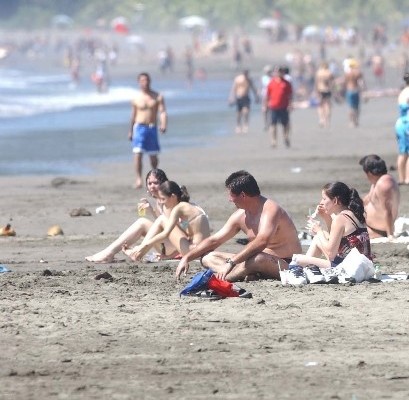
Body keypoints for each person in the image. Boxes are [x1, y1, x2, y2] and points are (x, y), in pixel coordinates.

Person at [176, 170, 302, 282]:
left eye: (231, 195)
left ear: (243, 195)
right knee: (207, 257)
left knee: (258, 258)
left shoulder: (270, 210)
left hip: (285, 263)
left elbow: (262, 241)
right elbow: (215, 240)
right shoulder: (240, 215)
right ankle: (246, 273)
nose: (229, 200)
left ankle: (224, 278)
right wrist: (186, 258)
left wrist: (231, 263)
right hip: (252, 261)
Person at [289, 181, 372, 285]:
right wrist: (326, 218)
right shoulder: (353, 214)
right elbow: (335, 240)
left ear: (335, 200)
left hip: (348, 269)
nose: (321, 202)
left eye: (324, 199)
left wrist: (319, 231)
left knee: (297, 259)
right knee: (318, 239)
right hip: (364, 267)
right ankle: (306, 267)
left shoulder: (340, 218)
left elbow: (331, 254)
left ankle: (303, 268)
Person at [85, 169, 175, 263]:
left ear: (164, 184)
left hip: (173, 247)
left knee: (142, 222)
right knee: (142, 223)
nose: (152, 186)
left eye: (156, 183)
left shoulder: (169, 200)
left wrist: (172, 255)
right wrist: (152, 211)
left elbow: (176, 230)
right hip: (167, 245)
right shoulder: (159, 201)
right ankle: (109, 253)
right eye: (149, 183)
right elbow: (163, 225)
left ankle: (109, 254)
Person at [122, 181, 211, 261]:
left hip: (193, 252)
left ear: (173, 196)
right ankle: (138, 253)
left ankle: (137, 253)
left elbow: (165, 233)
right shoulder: (188, 208)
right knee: (163, 219)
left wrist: (143, 245)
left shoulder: (179, 208)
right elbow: (187, 238)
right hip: (199, 251)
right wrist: (169, 256)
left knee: (162, 219)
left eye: (163, 199)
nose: (161, 202)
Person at [129, 72, 167, 189]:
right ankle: (139, 179)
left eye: (147, 80)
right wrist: (130, 131)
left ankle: (155, 178)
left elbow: (162, 112)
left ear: (150, 81)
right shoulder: (136, 98)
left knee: (153, 157)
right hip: (139, 127)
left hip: (152, 128)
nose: (145, 83)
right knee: (138, 153)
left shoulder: (157, 96)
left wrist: (163, 124)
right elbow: (133, 115)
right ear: (139, 82)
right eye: (142, 80)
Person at [359, 155, 400, 240]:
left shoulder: (384, 184)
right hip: (369, 227)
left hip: (376, 232)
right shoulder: (377, 182)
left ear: (369, 173)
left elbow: (388, 210)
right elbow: (367, 199)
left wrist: (390, 235)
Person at [263, 66, 293, 148]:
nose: (279, 73)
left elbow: (290, 95)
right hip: (273, 106)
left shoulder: (286, 83)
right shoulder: (271, 83)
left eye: (280, 71)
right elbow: (267, 95)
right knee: (273, 124)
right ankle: (274, 141)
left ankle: (286, 137)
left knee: (285, 124)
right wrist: (265, 105)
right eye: (277, 71)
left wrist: (290, 105)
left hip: (284, 106)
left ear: (283, 73)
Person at [229, 69, 260, 134]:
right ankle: (238, 126)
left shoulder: (249, 80)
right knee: (238, 113)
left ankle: (245, 125)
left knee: (246, 112)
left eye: (247, 73)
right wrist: (232, 98)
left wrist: (256, 97)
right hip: (239, 97)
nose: (246, 75)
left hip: (246, 97)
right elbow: (233, 89)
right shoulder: (238, 79)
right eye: (245, 73)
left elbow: (253, 88)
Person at [342, 59, 366, 127]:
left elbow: (344, 83)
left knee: (351, 107)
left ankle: (351, 122)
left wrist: (342, 91)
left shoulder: (347, 73)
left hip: (349, 91)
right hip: (356, 90)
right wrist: (364, 90)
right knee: (357, 107)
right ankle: (356, 121)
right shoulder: (358, 73)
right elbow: (361, 83)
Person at [395, 72, 409, 184]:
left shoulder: (402, 92)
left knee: (402, 152)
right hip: (407, 123)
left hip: (400, 123)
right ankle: (408, 178)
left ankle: (401, 178)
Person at [314, 61, 334, 128]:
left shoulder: (319, 72)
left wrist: (316, 91)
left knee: (320, 105)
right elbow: (332, 83)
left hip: (320, 90)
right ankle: (327, 121)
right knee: (328, 105)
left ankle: (321, 119)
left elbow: (316, 83)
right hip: (327, 90)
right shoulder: (329, 72)